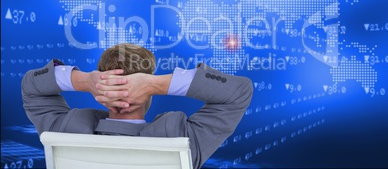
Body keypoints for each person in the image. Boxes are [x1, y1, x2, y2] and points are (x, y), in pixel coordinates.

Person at [22, 43, 253, 169]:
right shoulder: (179, 134)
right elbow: (239, 91)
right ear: (147, 90)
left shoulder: (66, 128)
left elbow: (31, 87)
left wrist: (86, 81)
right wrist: (157, 83)